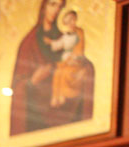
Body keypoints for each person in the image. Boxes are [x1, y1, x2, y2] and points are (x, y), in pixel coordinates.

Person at [9, 0, 93, 134]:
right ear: (43, 6)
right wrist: (33, 81)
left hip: (68, 108)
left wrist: (84, 71)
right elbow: (17, 85)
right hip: (37, 119)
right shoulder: (29, 43)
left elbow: (79, 58)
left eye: (60, 6)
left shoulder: (66, 37)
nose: (56, 10)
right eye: (52, 4)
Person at [49, 9, 92, 109]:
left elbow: (80, 49)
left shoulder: (79, 32)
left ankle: (64, 94)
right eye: (68, 21)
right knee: (57, 72)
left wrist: (74, 57)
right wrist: (51, 43)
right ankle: (56, 96)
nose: (71, 23)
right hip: (67, 60)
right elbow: (58, 45)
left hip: (77, 61)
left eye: (73, 20)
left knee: (66, 72)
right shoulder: (66, 35)